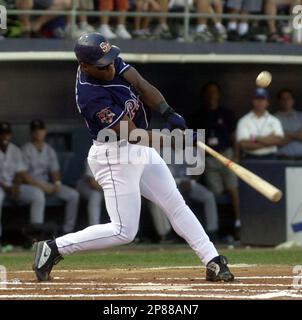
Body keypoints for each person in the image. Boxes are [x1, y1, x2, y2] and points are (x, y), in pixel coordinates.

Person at [32, 32, 234, 283]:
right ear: (85, 66)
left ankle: (212, 260)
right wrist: (177, 141)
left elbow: (140, 83)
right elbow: (133, 135)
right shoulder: (90, 95)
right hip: (114, 154)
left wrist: (168, 111)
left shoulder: (105, 58)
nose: (110, 68)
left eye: (110, 60)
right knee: (124, 231)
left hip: (139, 149)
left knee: (175, 203)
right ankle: (54, 248)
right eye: (102, 66)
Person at [189, 82, 240, 237]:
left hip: (226, 156)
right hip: (209, 158)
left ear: (218, 94)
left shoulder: (226, 113)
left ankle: (238, 223)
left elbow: (234, 137)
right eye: (209, 92)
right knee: (215, 194)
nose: (212, 95)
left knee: (232, 189)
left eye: (214, 92)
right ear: (204, 95)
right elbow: (193, 141)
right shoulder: (198, 116)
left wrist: (236, 155)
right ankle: (221, 230)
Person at [22, 120, 80, 234]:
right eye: (36, 130)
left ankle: (67, 231)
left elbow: (55, 171)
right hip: (32, 185)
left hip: (47, 184)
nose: (38, 133)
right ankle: (36, 233)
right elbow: (24, 175)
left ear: (45, 132)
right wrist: (44, 187)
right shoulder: (26, 149)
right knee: (38, 195)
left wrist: (57, 184)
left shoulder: (49, 149)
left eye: (41, 130)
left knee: (73, 195)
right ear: (31, 133)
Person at [149, 147, 219, 241]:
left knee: (208, 196)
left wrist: (192, 181)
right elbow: (155, 173)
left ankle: (211, 231)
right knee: (156, 201)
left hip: (189, 183)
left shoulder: (192, 151)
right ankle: (166, 234)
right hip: (169, 184)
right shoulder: (162, 151)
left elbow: (198, 170)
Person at [0, 122, 45, 244]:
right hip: (1, 187)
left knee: (37, 194)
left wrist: (16, 186)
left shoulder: (15, 150)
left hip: (14, 186)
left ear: (11, 135)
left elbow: (20, 172)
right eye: (2, 134)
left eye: (7, 134)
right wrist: (6, 188)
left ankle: (36, 236)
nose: (5, 137)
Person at [236, 88, 284, 159]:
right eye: (257, 99)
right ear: (253, 101)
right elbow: (243, 144)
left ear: (267, 102)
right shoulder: (244, 120)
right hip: (250, 157)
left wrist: (254, 138)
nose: (260, 102)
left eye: (263, 99)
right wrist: (269, 140)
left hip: (270, 157)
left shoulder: (275, 120)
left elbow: (279, 141)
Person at [275, 89, 302, 159]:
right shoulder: (273, 119)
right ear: (279, 101)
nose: (286, 101)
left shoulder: (300, 117)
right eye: (283, 99)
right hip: (281, 159)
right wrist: (297, 135)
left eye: (288, 98)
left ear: (293, 101)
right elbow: (276, 142)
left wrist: (287, 133)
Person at [76, 161, 104, 226]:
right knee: (96, 195)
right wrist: (112, 189)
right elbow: (93, 183)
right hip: (87, 186)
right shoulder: (93, 158)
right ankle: (94, 228)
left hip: (106, 188)